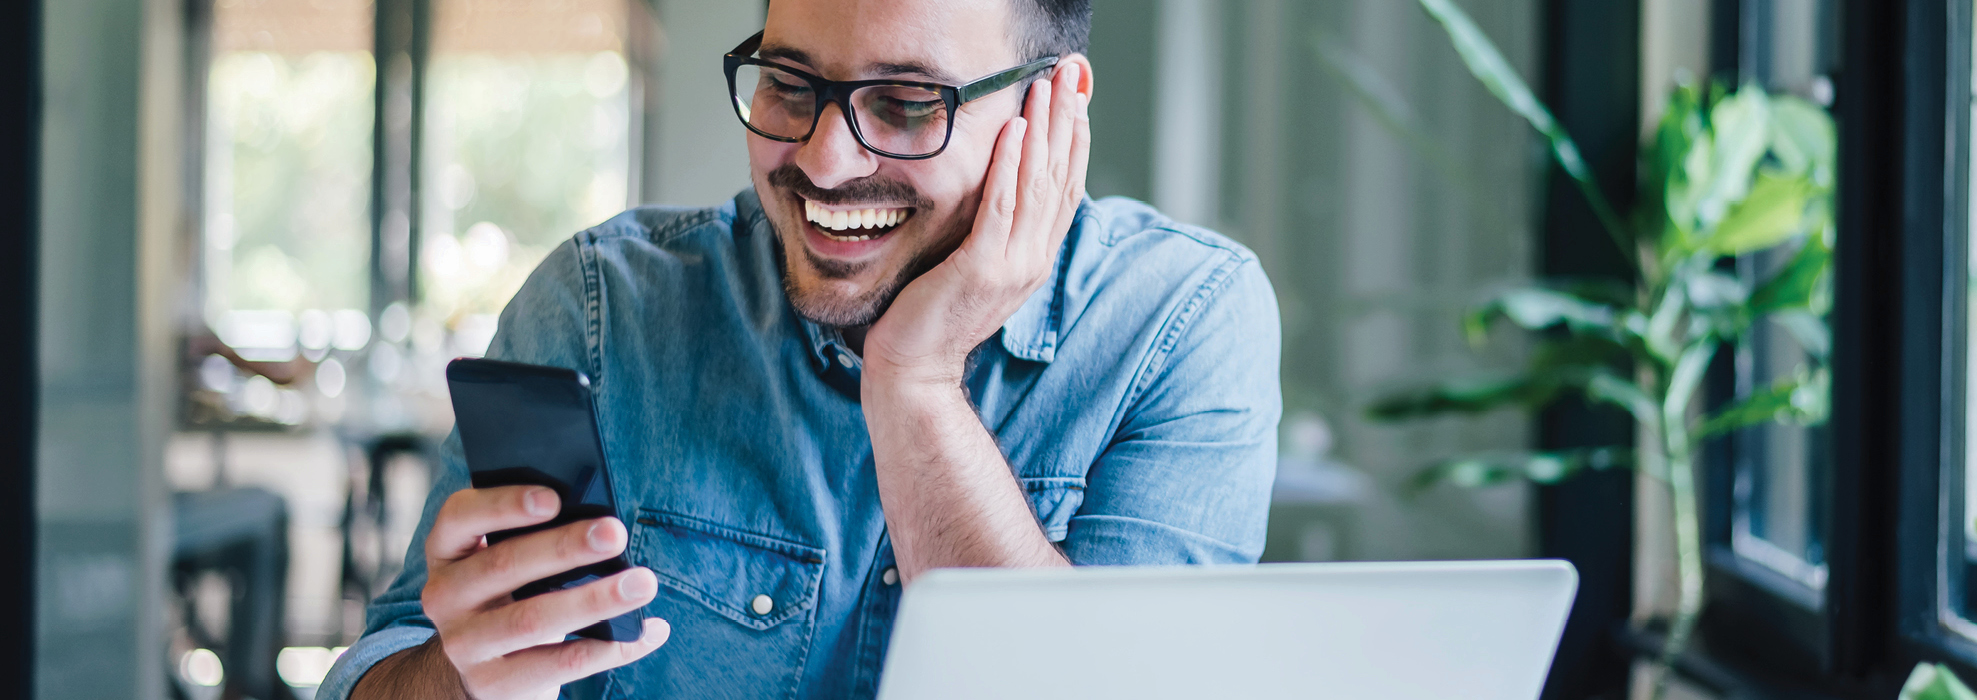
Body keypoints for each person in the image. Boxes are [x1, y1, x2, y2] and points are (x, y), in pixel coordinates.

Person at [318, 0, 1281, 697]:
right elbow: (387, 671)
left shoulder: (1182, 322)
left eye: (908, 103)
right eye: (790, 85)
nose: (823, 160)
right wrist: (460, 679)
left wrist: (916, 379)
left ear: (1051, 110)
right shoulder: (604, 306)